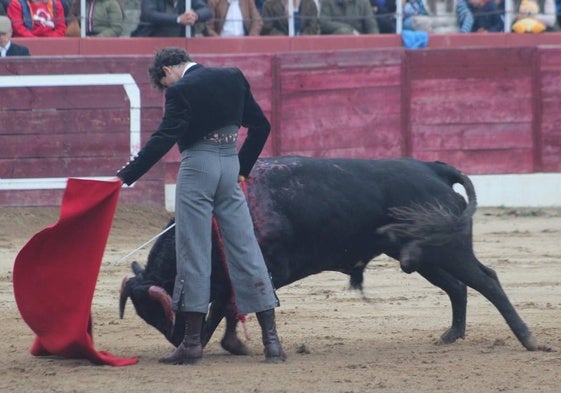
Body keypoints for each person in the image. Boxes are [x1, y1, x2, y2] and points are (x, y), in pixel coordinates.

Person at [115, 47, 286, 365]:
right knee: (247, 251)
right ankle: (272, 342)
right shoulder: (233, 76)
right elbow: (261, 126)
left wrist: (126, 176)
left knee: (193, 252)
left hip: (198, 169)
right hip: (229, 165)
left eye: (164, 84)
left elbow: (164, 138)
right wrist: (241, 170)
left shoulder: (180, 91)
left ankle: (192, 344)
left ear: (167, 71)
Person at [131, 0, 211, 37]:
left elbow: (207, 11)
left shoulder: (188, 1)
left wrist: (195, 15)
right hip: (151, 40)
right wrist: (178, 19)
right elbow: (149, 14)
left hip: (181, 42)